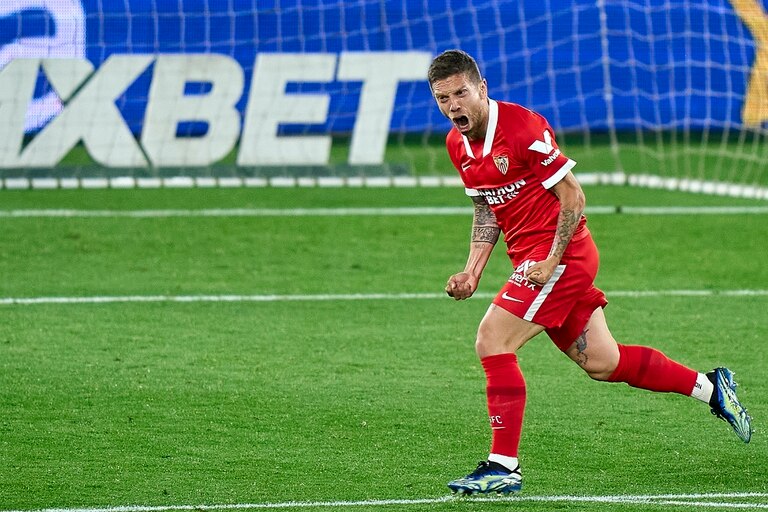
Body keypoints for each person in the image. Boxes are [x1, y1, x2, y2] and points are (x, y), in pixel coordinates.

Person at [427, 49, 753, 496]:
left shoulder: (521, 128)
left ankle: (503, 466)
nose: (453, 106)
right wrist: (472, 271)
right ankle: (711, 388)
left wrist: (550, 260)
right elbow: (486, 206)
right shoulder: (456, 144)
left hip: (563, 257)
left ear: (482, 88)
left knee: (492, 339)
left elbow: (573, 196)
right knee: (603, 361)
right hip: (535, 261)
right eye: (443, 99)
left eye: (460, 93)